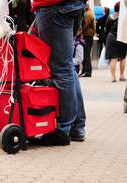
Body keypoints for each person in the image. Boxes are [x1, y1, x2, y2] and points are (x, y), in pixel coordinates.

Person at [33, 0, 86, 144]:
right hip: (72, 6)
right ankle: (77, 126)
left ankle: (62, 130)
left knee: (61, 69)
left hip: (53, 6)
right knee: (67, 67)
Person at [105, 2, 127, 83]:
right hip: (122, 37)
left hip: (111, 37)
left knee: (113, 58)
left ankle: (113, 78)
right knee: (123, 57)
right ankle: (121, 76)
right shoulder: (124, 16)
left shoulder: (111, 16)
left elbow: (107, 28)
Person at [79, 4, 95, 78]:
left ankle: (87, 71)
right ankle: (84, 71)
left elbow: (85, 25)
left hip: (88, 36)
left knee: (86, 54)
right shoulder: (88, 13)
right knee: (85, 54)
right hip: (87, 36)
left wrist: (78, 32)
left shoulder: (88, 14)